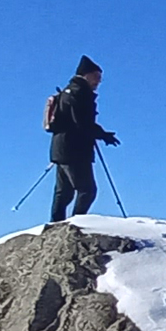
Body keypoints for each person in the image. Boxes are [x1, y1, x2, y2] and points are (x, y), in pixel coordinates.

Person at [49, 55, 119, 222]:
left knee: (64, 192)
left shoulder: (68, 92)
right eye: (96, 77)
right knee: (87, 190)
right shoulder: (79, 93)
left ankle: (56, 224)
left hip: (60, 149)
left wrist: (101, 134)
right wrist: (102, 134)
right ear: (86, 75)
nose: (98, 82)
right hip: (75, 150)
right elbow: (82, 122)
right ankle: (76, 223)